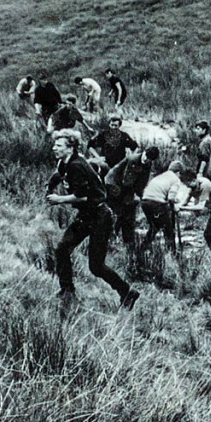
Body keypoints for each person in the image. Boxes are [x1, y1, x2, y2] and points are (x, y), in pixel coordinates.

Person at [45, 129, 139, 310]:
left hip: (100, 217)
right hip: (86, 216)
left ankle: (127, 292)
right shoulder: (65, 162)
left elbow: (83, 196)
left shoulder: (77, 166)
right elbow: (59, 173)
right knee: (62, 249)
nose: (54, 148)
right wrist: (50, 186)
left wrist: (60, 199)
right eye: (55, 144)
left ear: (70, 148)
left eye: (59, 145)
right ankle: (67, 290)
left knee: (96, 266)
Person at [104, 146, 160, 248]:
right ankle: (111, 239)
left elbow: (143, 182)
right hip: (113, 185)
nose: (146, 160)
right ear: (144, 152)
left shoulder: (148, 163)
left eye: (149, 159)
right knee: (119, 212)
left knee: (129, 213)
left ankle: (128, 242)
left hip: (125, 188)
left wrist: (142, 195)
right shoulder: (133, 160)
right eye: (146, 157)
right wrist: (135, 195)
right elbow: (127, 181)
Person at [140, 161, 185, 253]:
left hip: (145, 202)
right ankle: (172, 254)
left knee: (155, 227)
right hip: (156, 203)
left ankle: (141, 249)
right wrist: (174, 207)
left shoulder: (161, 176)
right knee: (168, 230)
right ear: (178, 172)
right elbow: (171, 197)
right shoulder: (175, 180)